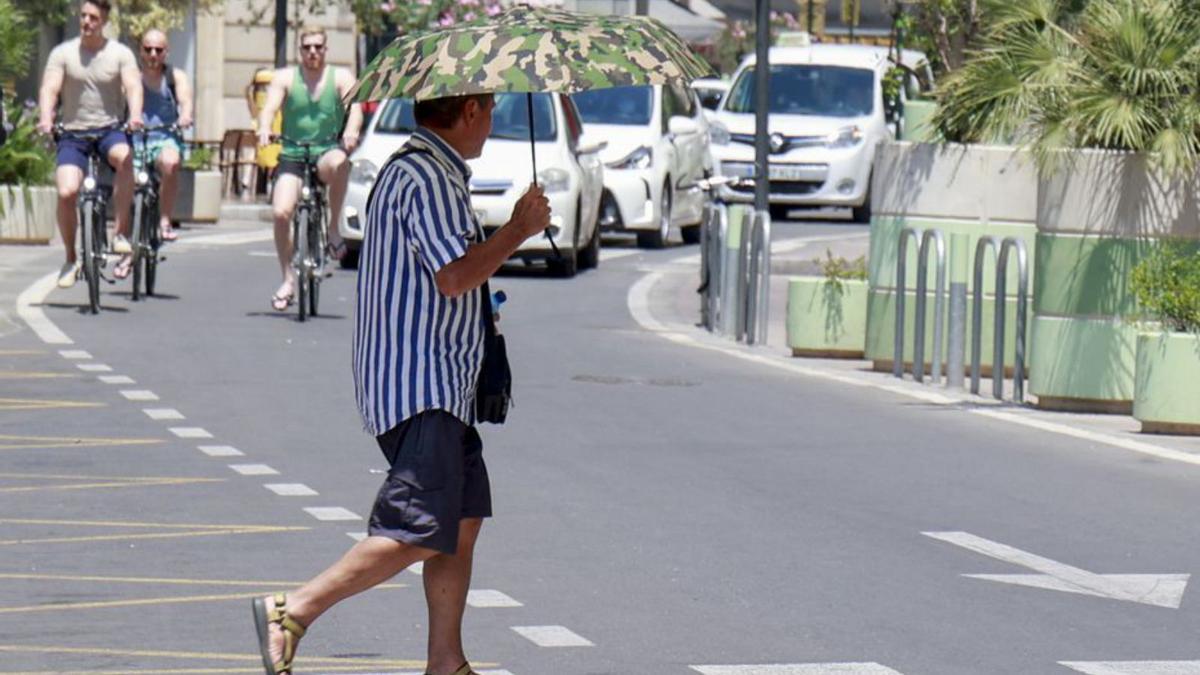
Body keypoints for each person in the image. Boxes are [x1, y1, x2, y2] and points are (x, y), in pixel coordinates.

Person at [250, 93, 551, 675]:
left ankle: (446, 660)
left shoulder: (427, 170)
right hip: (423, 383)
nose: (492, 122)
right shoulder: (426, 178)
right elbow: (455, 275)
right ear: (468, 113)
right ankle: (293, 610)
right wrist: (517, 229)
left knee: (461, 521)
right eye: (489, 109)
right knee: (417, 528)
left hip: (443, 382)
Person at [255, 24, 363, 311]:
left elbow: (355, 109)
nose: (312, 52)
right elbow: (269, 108)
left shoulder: (340, 76)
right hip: (292, 151)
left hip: (326, 151)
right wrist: (264, 128)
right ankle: (287, 279)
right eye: (307, 48)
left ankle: (333, 229)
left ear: (325, 49)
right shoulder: (286, 78)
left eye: (318, 47)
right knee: (281, 213)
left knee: (341, 162)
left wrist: (351, 132)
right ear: (299, 50)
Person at [37, 0, 143, 288]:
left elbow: (133, 86)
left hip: (109, 129)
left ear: (104, 20)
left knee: (124, 158)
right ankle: (71, 258)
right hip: (73, 133)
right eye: (83, 16)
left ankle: (119, 233)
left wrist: (134, 117)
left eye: (93, 17)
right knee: (67, 191)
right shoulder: (64, 53)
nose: (86, 22)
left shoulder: (120, 54)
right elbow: (50, 88)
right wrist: (46, 118)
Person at [135, 28, 193, 246]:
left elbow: (185, 101)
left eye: (158, 50)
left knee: (170, 163)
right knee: (124, 174)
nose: (152, 55)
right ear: (140, 51)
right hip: (137, 138)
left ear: (166, 52)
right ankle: (123, 230)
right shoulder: (132, 77)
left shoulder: (175, 77)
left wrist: (185, 116)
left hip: (165, 136)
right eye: (148, 49)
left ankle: (165, 220)